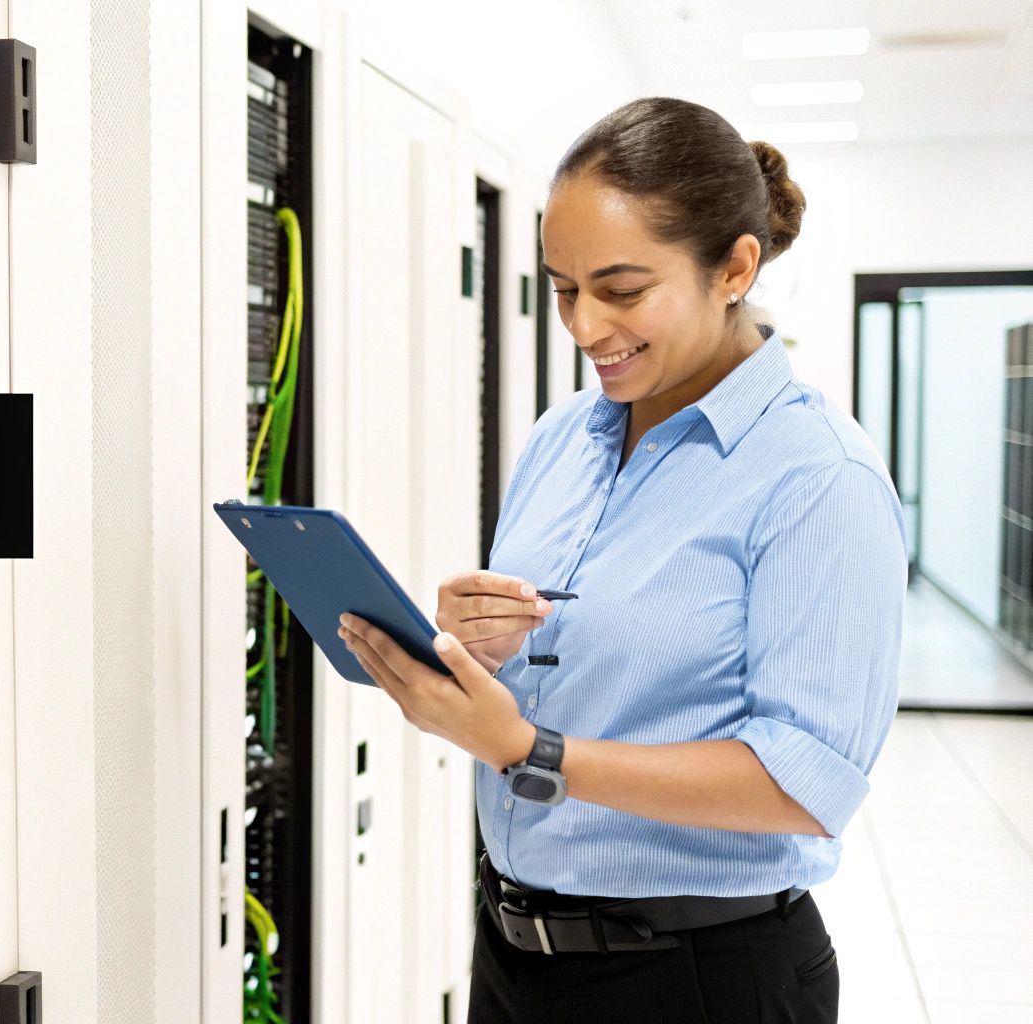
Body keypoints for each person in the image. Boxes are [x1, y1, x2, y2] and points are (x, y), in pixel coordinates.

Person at [336, 96, 907, 1023]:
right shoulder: (565, 436)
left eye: (622, 289)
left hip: (698, 977)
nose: (585, 325)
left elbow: (809, 781)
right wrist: (482, 641)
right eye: (563, 287)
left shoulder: (817, 477)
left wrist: (531, 752)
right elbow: (584, 660)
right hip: (517, 955)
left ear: (734, 267)